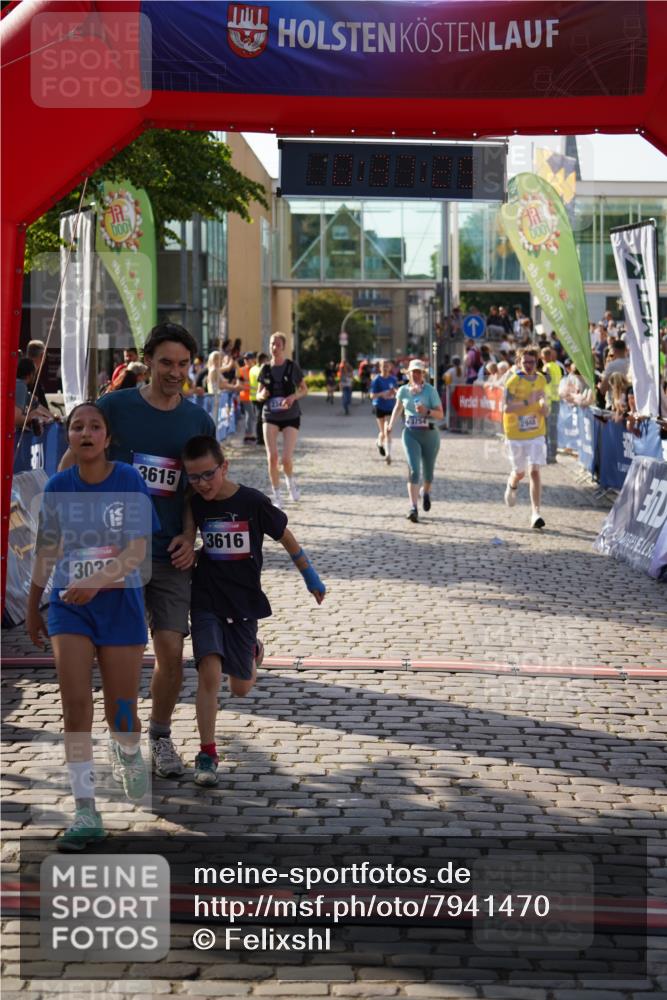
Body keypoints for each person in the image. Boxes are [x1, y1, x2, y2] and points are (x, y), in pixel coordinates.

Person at [58, 322, 216, 780]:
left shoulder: (197, 421)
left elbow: (197, 487)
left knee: (171, 651)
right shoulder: (115, 407)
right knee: (110, 657)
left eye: (183, 364)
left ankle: (160, 737)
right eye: (166, 362)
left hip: (168, 554)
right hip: (111, 556)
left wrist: (189, 535)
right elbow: (72, 461)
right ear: (147, 361)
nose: (175, 372)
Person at [26, 402, 159, 850]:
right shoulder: (57, 487)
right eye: (77, 426)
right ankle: (85, 810)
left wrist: (98, 580)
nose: (85, 432)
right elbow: (47, 550)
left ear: (107, 438)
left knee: (121, 713)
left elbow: (137, 551)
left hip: (120, 604)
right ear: (68, 436)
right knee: (76, 706)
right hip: (70, 607)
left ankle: (127, 749)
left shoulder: (129, 480)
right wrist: (33, 605)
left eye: (94, 426)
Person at [181, 435, 325, 785]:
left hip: (244, 602)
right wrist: (188, 549)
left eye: (208, 474)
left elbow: (286, 538)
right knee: (209, 672)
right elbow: (188, 535)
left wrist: (311, 577)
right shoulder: (194, 502)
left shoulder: (253, 502)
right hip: (206, 598)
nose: (202, 484)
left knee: (241, 688)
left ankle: (252, 651)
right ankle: (207, 754)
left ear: (224, 467)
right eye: (194, 477)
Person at [387, 359, 444, 522]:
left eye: (419, 372)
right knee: (414, 470)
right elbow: (398, 407)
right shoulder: (403, 390)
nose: (416, 375)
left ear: (423, 374)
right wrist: (390, 425)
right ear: (409, 374)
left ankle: (425, 492)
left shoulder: (430, 391)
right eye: (414, 372)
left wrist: (427, 411)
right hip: (411, 433)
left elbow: (440, 414)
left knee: (428, 473)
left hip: (430, 435)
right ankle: (413, 507)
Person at [256, 332, 308, 509]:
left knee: (286, 458)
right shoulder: (265, 368)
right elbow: (258, 393)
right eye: (272, 344)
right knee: (272, 458)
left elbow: (304, 389)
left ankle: (290, 481)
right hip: (270, 415)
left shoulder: (292, 367)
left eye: (278, 344)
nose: (274, 347)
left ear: (284, 347)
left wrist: (293, 396)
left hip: (290, 416)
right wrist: (262, 395)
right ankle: (276, 495)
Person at [502, 347, 549, 530]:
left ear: (537, 362)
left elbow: (543, 399)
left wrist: (544, 407)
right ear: (519, 363)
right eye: (525, 362)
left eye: (532, 362)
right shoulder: (513, 381)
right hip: (515, 432)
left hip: (536, 431)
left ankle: (536, 513)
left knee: (534, 471)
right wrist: (529, 401)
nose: (529, 365)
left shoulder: (541, 379)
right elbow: (506, 408)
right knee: (520, 472)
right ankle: (512, 484)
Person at [370, 359, 398, 464]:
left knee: (388, 431)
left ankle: (388, 454)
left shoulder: (393, 379)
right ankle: (379, 443)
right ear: (380, 367)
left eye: (387, 366)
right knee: (383, 432)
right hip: (380, 407)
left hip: (390, 407)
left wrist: (394, 393)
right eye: (383, 366)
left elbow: (397, 392)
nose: (385, 368)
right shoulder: (377, 380)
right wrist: (382, 394)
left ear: (390, 367)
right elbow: (372, 396)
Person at [540, 346, 563, 464]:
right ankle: (553, 455)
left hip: (549, 401)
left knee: (547, 430)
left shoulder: (547, 367)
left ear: (544, 356)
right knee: (553, 429)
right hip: (556, 399)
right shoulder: (557, 366)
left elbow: (546, 382)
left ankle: (547, 455)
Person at [249, 352, 268, 447]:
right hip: (259, 397)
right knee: (260, 418)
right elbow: (264, 381)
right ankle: (260, 439)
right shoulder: (259, 370)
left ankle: (261, 438)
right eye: (266, 360)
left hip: (254, 397)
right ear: (263, 360)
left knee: (259, 418)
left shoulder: (253, 369)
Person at [237, 353, 255, 442]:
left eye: (248, 359)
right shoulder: (241, 370)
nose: (246, 361)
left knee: (252, 416)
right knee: (250, 415)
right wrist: (251, 388)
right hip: (245, 396)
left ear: (253, 360)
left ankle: (251, 434)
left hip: (255, 396)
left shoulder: (255, 369)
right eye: (245, 359)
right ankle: (248, 435)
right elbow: (239, 385)